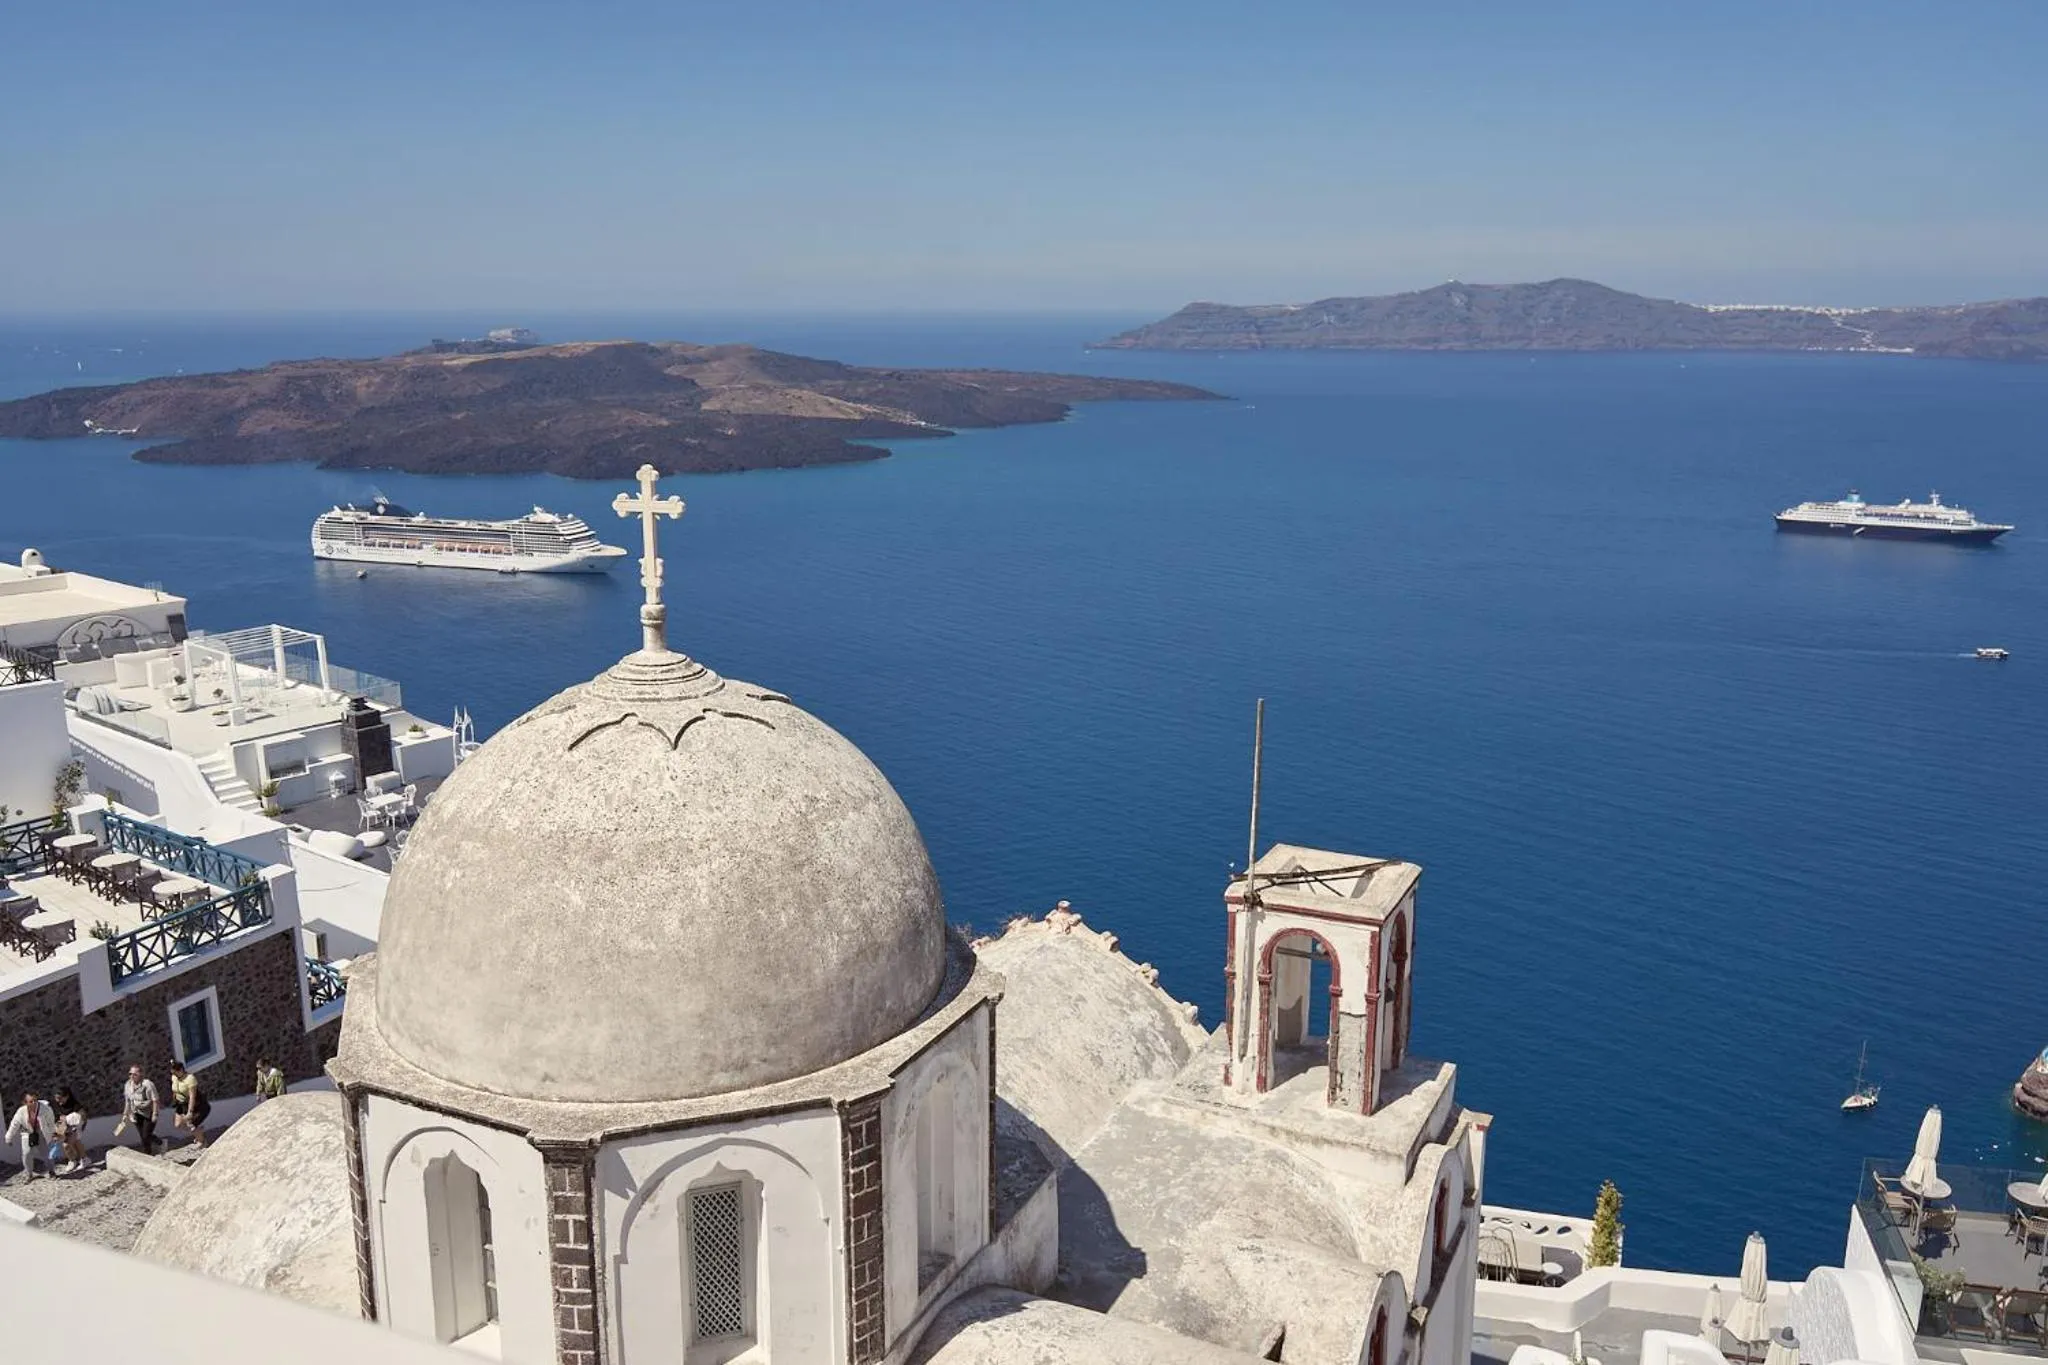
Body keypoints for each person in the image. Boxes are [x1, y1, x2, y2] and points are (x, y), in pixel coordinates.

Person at [5, 1090, 58, 1181]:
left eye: (35, 1100)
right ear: (24, 1102)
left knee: (46, 1153)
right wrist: (8, 1138)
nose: (34, 1103)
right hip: (27, 1132)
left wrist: (54, 1133)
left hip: (42, 1132)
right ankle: (29, 1173)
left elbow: (51, 1122)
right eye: (31, 1101)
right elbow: (14, 1124)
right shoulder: (21, 1111)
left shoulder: (45, 1109)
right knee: (26, 1154)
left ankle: (51, 1171)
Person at [168, 1061, 210, 1148]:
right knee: (178, 1125)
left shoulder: (190, 1079)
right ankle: (199, 1132)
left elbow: (192, 1097)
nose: (174, 1074)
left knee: (190, 1124)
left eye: (175, 1072)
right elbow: (175, 1089)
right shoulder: (174, 1077)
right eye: (172, 1073)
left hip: (191, 1105)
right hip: (180, 1104)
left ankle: (202, 1141)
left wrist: (190, 1112)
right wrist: (174, 1099)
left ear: (181, 1070)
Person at [121, 1065, 161, 1156]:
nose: (132, 1076)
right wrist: (125, 1114)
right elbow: (127, 1101)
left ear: (141, 1074)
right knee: (143, 1137)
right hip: (136, 1113)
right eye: (130, 1074)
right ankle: (148, 1154)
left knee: (146, 1135)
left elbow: (155, 1100)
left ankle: (158, 1144)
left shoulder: (148, 1084)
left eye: (135, 1074)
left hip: (148, 1113)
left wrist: (155, 1114)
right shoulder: (128, 1085)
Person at [49, 1085, 87, 1174]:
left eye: (60, 1098)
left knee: (67, 1144)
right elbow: (57, 1117)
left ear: (67, 1096)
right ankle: (82, 1159)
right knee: (75, 1143)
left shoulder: (75, 1105)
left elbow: (83, 1118)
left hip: (76, 1126)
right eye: (56, 1098)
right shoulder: (56, 1104)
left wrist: (74, 1127)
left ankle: (73, 1160)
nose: (58, 1100)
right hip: (63, 1126)